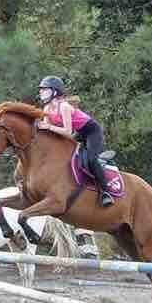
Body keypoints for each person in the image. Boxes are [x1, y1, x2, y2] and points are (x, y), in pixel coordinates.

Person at [37, 75, 114, 207]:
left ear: (55, 92)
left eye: (44, 89)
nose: (40, 92)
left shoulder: (64, 106)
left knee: (90, 160)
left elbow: (68, 132)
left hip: (91, 131)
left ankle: (106, 192)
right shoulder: (47, 109)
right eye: (40, 90)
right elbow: (49, 134)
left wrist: (48, 126)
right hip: (78, 132)